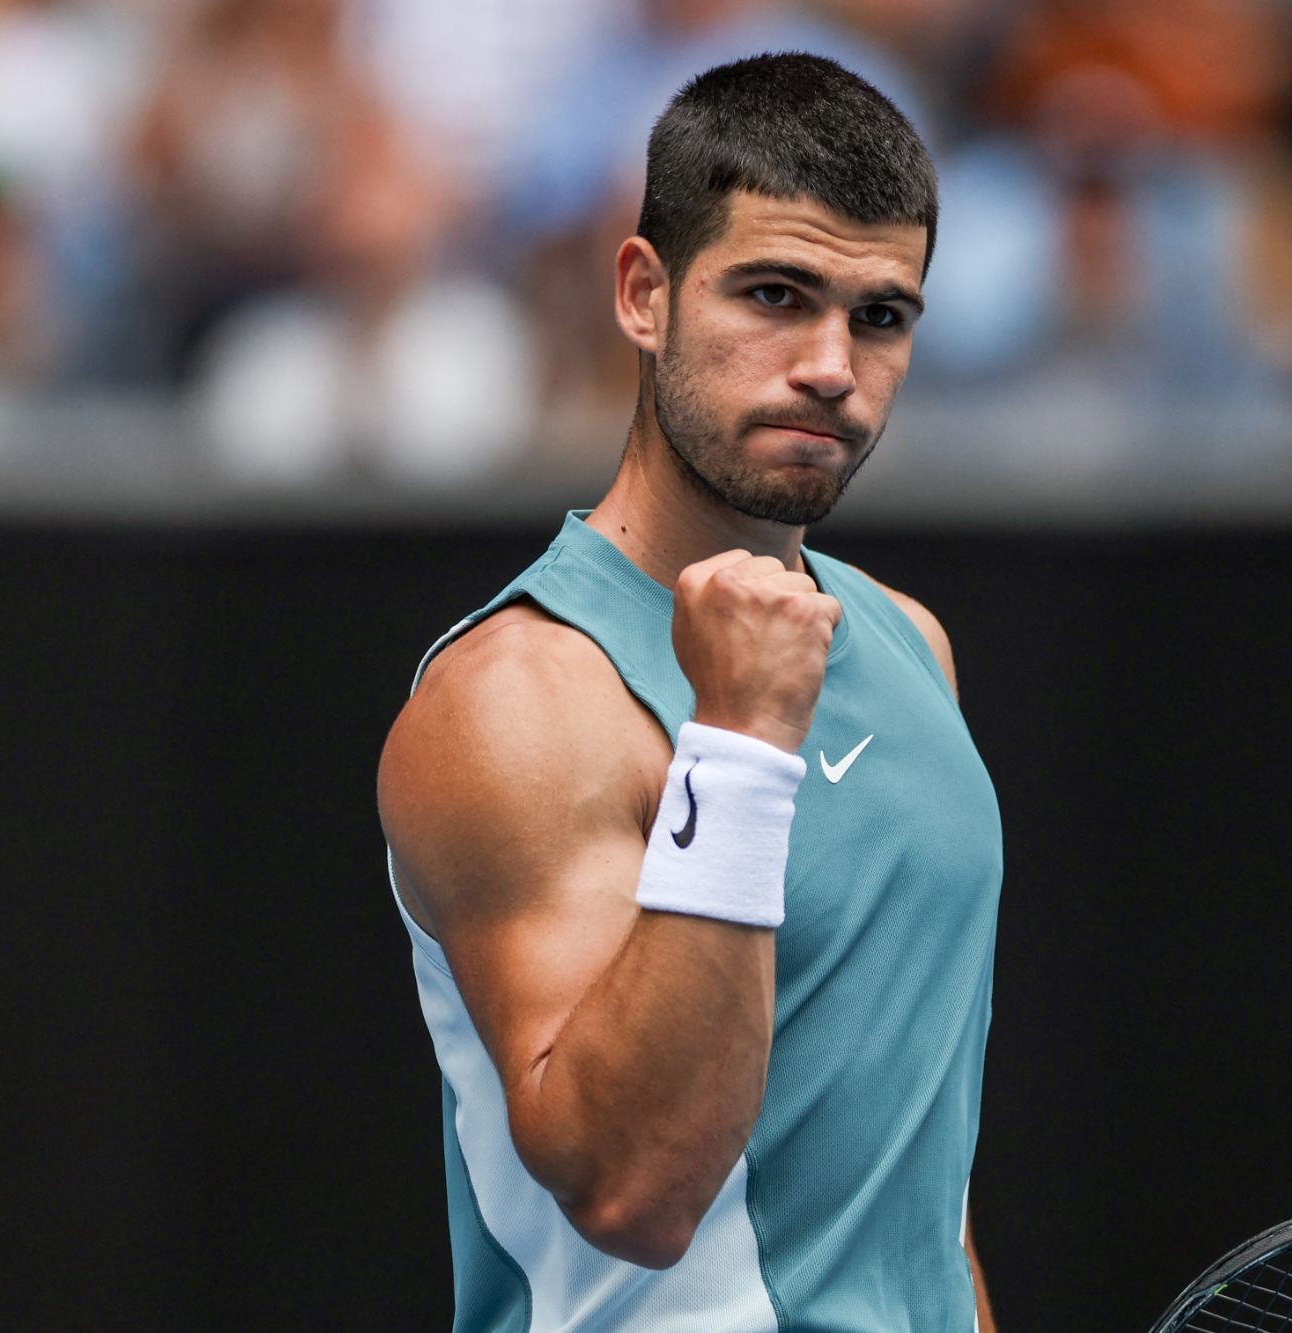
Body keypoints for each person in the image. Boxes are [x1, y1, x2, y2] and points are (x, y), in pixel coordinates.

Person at [376, 52, 1003, 1331]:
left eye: (880, 316)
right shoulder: (512, 697)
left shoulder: (912, 644)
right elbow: (632, 1189)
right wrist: (742, 737)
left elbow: (919, 1197)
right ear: (642, 294)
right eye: (775, 294)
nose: (829, 364)